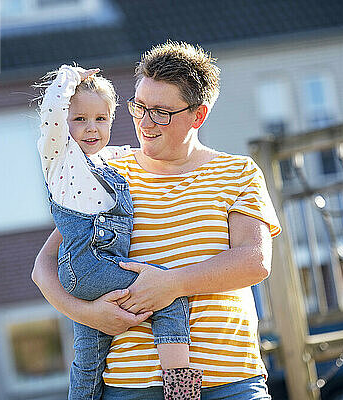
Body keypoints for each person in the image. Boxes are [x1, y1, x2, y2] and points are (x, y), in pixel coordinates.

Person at [32, 41, 281, 399]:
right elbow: (44, 267)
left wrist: (171, 284)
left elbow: (254, 261)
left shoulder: (237, 172)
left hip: (231, 382)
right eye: (139, 107)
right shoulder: (106, 169)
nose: (145, 122)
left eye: (161, 112)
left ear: (198, 115)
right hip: (131, 387)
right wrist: (89, 315)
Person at [34, 64, 202, 400]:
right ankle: (183, 395)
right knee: (169, 296)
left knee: (89, 360)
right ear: (63, 126)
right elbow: (52, 110)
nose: (91, 128)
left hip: (91, 270)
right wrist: (69, 77)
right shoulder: (61, 159)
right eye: (79, 119)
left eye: (100, 119)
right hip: (90, 266)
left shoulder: (107, 162)